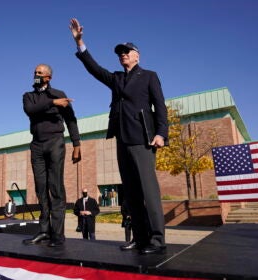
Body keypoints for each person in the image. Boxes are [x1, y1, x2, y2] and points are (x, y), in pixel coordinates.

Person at [69, 18, 168, 254]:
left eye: (127, 51)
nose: (122, 55)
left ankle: (157, 239)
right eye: (120, 53)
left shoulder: (149, 76)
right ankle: (140, 237)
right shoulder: (117, 78)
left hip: (143, 139)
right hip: (122, 139)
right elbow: (95, 69)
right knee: (131, 193)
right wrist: (80, 42)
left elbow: (160, 106)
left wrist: (161, 133)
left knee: (148, 191)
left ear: (137, 55)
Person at [22, 63, 81, 247]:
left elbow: (71, 120)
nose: (36, 74)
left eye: (40, 73)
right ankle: (44, 231)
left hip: (55, 142)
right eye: (34, 72)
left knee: (55, 187)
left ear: (48, 77)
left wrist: (77, 143)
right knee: (41, 189)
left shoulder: (59, 93)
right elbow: (30, 110)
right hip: (37, 145)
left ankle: (57, 234)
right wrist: (53, 103)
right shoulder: (29, 96)